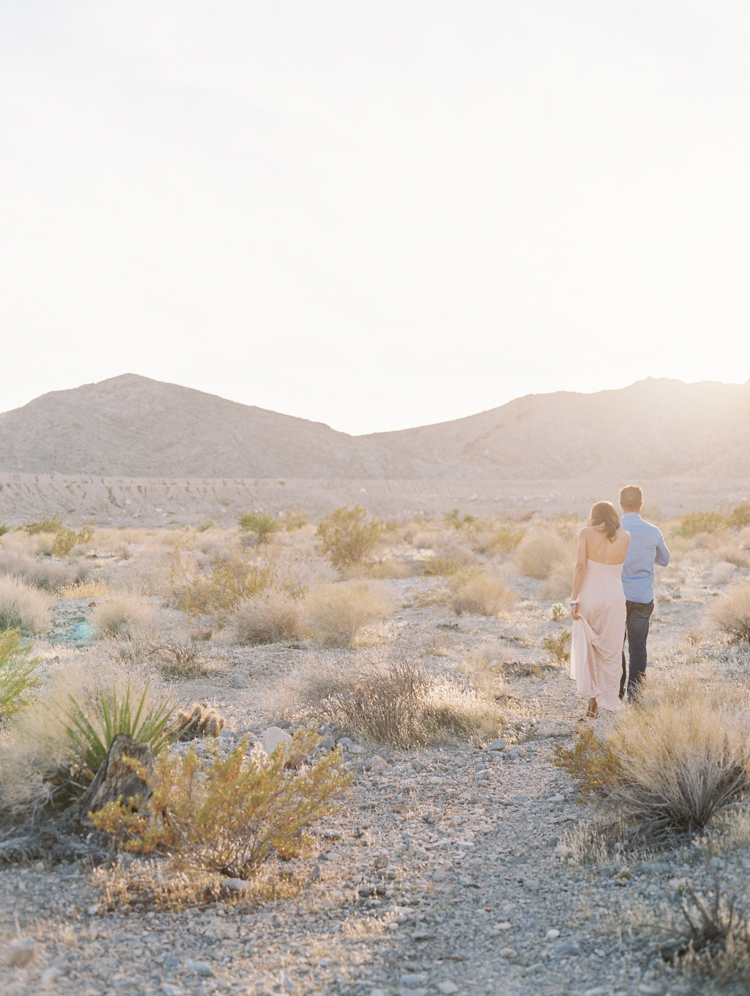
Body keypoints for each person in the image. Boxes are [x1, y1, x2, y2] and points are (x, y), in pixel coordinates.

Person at [569, 502, 630, 719]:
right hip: (615, 598)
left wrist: (573, 600)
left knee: (590, 652)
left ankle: (590, 709)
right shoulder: (625, 537)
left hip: (590, 596)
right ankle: (610, 707)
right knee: (612, 653)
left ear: (594, 516)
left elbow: (580, 567)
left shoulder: (585, 533)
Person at [618, 485, 670, 701]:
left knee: (615, 647)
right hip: (642, 597)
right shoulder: (652, 531)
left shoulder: (615, 530)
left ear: (620, 505)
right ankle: (635, 695)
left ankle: (615, 693)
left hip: (617, 597)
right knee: (638, 648)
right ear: (641, 504)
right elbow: (665, 560)